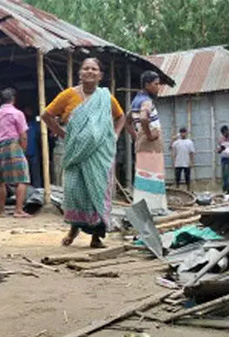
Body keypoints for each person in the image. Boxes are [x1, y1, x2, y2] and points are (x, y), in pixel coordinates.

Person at [42, 57, 125, 248]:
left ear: (100, 75)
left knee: (98, 190)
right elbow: (46, 115)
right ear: (80, 73)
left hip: (100, 154)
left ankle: (96, 236)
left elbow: (121, 117)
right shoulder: (68, 95)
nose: (90, 71)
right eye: (86, 68)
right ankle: (74, 229)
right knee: (75, 191)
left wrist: (115, 135)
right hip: (75, 152)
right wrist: (62, 133)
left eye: (94, 69)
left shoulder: (105, 97)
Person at [130, 70, 167, 213]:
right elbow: (144, 118)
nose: (158, 87)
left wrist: (136, 135)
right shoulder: (146, 101)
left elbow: (127, 121)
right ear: (147, 85)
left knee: (143, 176)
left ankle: (144, 208)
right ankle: (153, 208)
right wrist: (150, 136)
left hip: (142, 144)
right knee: (153, 176)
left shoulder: (136, 100)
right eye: (156, 84)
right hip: (151, 145)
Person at [0, 88, 31, 218]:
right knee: (22, 178)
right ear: (13, 99)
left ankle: (2, 210)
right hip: (13, 145)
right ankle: (18, 210)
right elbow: (23, 135)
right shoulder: (17, 113)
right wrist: (23, 150)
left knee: (1, 180)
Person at [218, 125, 229, 195]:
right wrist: (220, 149)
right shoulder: (221, 140)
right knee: (225, 174)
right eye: (223, 133)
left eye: (226, 132)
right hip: (224, 158)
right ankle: (226, 189)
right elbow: (218, 151)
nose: (225, 134)